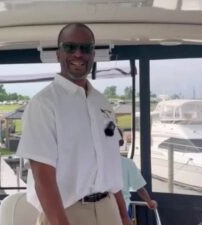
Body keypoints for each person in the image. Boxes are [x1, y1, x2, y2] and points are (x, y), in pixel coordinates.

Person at [17, 23, 131, 225]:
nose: (78, 54)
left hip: (109, 208)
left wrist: (124, 216)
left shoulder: (102, 102)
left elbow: (111, 169)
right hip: (67, 212)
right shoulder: (44, 104)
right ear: (59, 54)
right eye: (70, 47)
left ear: (93, 55)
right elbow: (43, 180)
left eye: (86, 48)